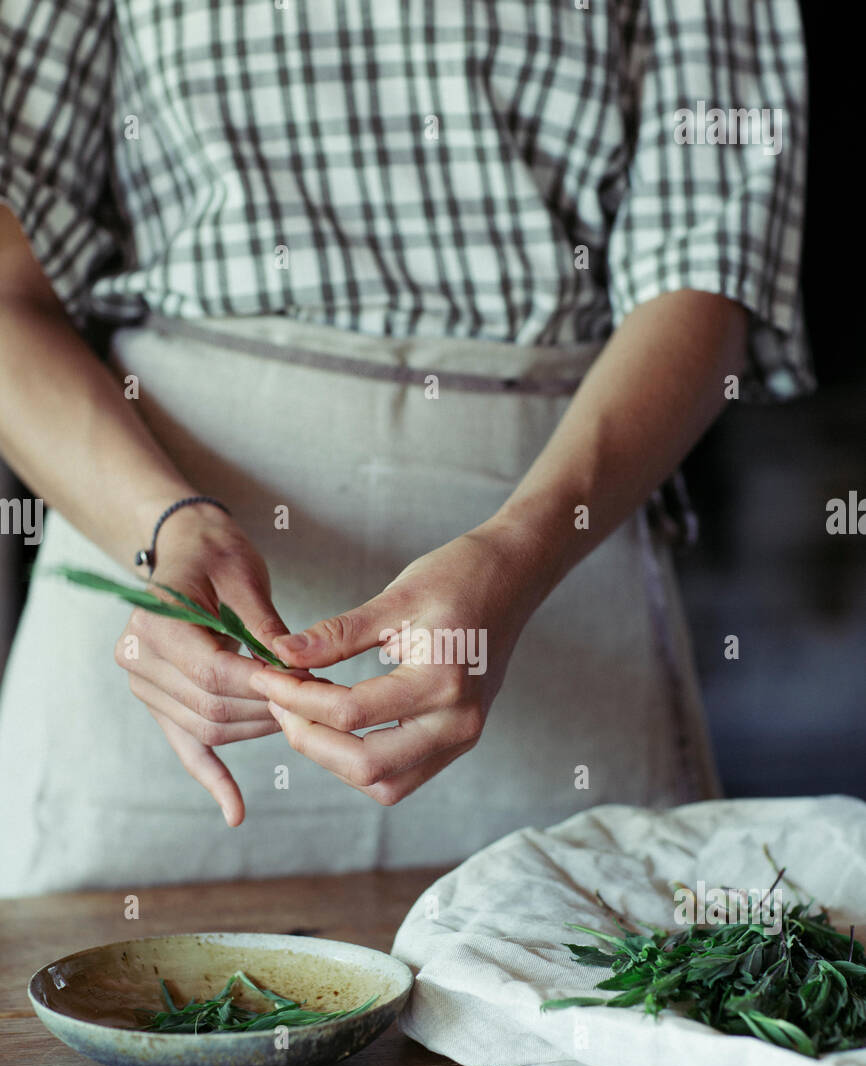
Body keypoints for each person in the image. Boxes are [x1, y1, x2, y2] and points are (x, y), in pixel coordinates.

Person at [0, 1, 812, 895]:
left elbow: (708, 277)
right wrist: (165, 530)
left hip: (554, 588)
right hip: (158, 621)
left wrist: (515, 555)